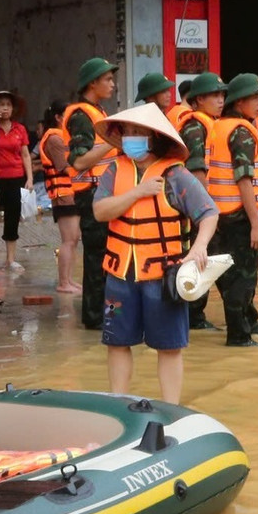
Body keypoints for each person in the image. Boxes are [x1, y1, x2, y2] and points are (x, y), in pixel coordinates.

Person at [93, 104, 220, 403]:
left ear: (154, 138)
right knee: (117, 342)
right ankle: (118, 403)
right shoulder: (114, 170)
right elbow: (100, 211)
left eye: (138, 132)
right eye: (127, 131)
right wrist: (137, 192)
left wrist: (199, 247)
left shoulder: (175, 176)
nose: (130, 137)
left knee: (169, 346)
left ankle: (171, 408)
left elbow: (209, 213)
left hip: (162, 278)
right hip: (120, 273)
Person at [209, 74, 258, 347]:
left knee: (230, 274)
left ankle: (247, 322)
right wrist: (256, 225)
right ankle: (239, 336)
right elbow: (244, 179)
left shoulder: (220, 126)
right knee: (243, 279)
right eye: (257, 98)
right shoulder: (242, 132)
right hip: (241, 218)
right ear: (240, 101)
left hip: (223, 215)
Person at [64, 57, 119, 330]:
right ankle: (98, 318)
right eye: (107, 79)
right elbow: (79, 161)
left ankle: (105, 315)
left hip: (104, 193)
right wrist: (113, 142)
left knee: (106, 257)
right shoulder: (81, 116)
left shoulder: (99, 112)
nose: (113, 84)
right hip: (92, 194)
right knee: (98, 259)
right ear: (92, 83)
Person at [176, 72, 226, 330]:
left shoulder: (207, 123)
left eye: (222, 95)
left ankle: (196, 316)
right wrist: (204, 212)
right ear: (197, 101)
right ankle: (194, 317)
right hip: (199, 210)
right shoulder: (195, 127)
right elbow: (197, 173)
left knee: (208, 258)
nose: (220, 100)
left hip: (205, 209)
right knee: (202, 258)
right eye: (214, 96)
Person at [0, 90, 34, 272]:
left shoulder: (19, 129)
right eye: (2, 105)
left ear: (13, 108)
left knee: (13, 218)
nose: (5, 108)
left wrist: (29, 178)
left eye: (8, 105)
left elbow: (25, 155)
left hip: (16, 178)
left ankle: (10, 260)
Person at [35, 109, 82, 294]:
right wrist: (84, 162)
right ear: (58, 117)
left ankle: (69, 280)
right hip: (62, 194)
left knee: (74, 239)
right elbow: (63, 166)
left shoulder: (62, 136)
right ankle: (64, 282)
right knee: (69, 240)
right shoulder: (54, 138)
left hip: (71, 193)